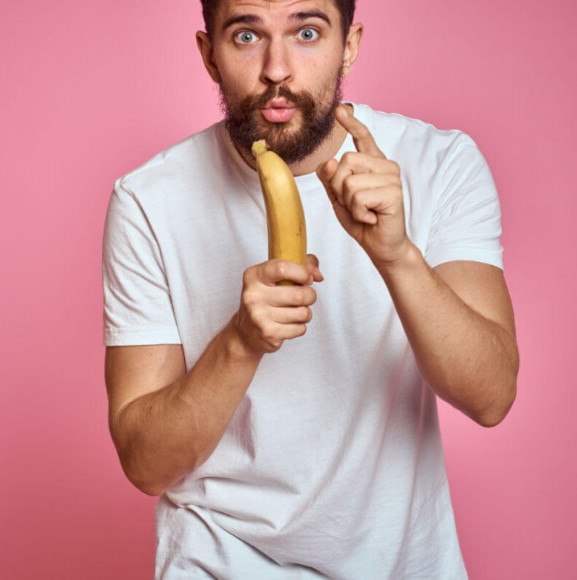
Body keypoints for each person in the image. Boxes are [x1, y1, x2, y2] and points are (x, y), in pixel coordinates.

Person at [101, 0, 519, 577]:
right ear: (209, 55)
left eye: (306, 31)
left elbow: (492, 395)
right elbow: (146, 464)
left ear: (349, 44)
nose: (277, 68)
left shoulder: (439, 163)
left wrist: (397, 257)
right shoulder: (148, 201)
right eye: (247, 35)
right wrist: (241, 342)